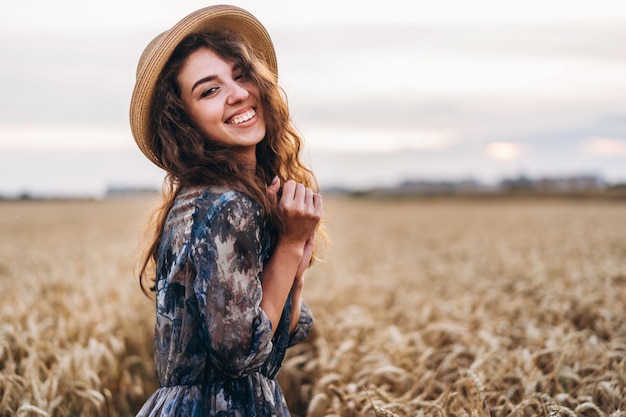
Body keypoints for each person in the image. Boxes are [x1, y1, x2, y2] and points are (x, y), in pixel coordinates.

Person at [129, 5, 323, 416]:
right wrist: (288, 246)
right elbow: (244, 358)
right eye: (209, 90)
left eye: (240, 75)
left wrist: (295, 271)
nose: (237, 93)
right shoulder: (224, 206)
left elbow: (268, 361)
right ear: (183, 120)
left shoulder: (211, 198)